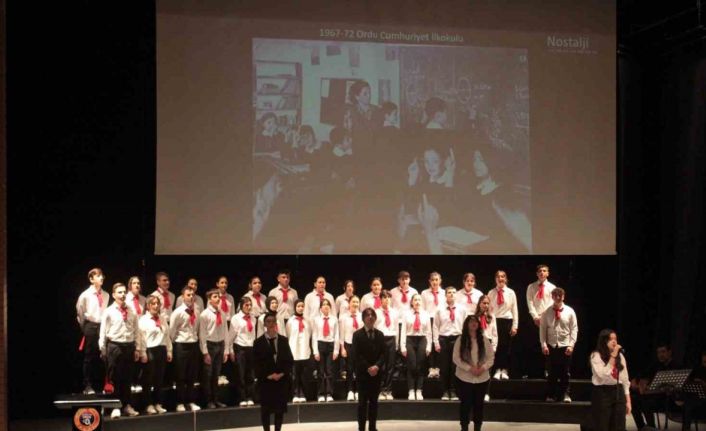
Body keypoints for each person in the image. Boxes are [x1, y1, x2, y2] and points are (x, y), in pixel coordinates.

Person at [99, 282, 143, 418]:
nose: (123, 294)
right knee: (115, 378)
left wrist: (137, 348)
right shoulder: (109, 311)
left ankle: (127, 405)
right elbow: (103, 332)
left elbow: (136, 330)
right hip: (114, 346)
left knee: (128, 378)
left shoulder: (132, 310)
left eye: (124, 292)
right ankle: (115, 407)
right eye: (119, 292)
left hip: (128, 346)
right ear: (113, 295)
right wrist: (103, 349)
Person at [254, 312, 294, 431]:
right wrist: (268, 376)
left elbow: (289, 360)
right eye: (268, 321)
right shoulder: (258, 342)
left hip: (281, 381)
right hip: (266, 382)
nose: (271, 324)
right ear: (264, 324)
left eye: (273, 321)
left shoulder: (283, 340)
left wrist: (281, 374)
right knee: (265, 411)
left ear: (276, 323)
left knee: (279, 411)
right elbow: (256, 363)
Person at [454, 315, 495, 431]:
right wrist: (469, 368)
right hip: (464, 378)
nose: (474, 324)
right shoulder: (461, 340)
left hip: (482, 378)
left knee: (479, 405)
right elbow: (456, 358)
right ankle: (464, 427)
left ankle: (477, 427)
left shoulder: (484, 340)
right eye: (471, 322)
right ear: (466, 324)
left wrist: (483, 368)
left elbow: (491, 358)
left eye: (476, 322)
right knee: (465, 405)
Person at [630, 342, 681, 430]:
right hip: (657, 396)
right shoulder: (656, 365)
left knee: (646, 402)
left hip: (671, 398)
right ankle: (641, 427)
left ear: (669, 352)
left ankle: (651, 427)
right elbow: (642, 375)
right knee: (633, 399)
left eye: (663, 352)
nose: (660, 355)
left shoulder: (677, 366)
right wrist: (635, 381)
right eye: (658, 352)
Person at [539, 287, 577, 403]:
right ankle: (551, 395)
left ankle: (565, 394)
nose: (558, 297)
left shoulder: (570, 311)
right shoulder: (546, 312)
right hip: (551, 345)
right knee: (552, 372)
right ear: (552, 297)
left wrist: (571, 345)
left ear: (563, 297)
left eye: (560, 295)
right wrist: (544, 345)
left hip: (565, 345)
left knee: (565, 372)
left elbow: (574, 329)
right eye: (555, 295)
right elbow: (542, 329)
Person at [75, 267, 110, 395]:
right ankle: (87, 385)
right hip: (90, 325)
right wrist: (85, 328)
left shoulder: (106, 295)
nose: (101, 278)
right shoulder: (85, 295)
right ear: (91, 279)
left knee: (104, 355)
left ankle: (104, 384)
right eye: (98, 276)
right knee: (90, 357)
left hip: (102, 326)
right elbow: (80, 313)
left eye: (102, 275)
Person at [590, 329, 631, 431]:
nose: (614, 342)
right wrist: (613, 356)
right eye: (610, 339)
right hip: (602, 393)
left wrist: (628, 401)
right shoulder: (595, 355)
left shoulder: (620, 356)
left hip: (618, 392)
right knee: (602, 425)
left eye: (615, 339)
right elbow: (603, 375)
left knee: (619, 425)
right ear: (604, 341)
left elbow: (625, 380)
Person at [169, 285, 201, 412]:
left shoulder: (196, 311)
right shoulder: (177, 312)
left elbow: (197, 329)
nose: (191, 297)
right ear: (183, 297)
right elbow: (172, 331)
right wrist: (173, 346)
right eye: (188, 295)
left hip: (193, 345)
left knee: (192, 376)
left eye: (192, 295)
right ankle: (180, 402)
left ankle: (190, 401)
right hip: (181, 345)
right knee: (180, 376)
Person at [138, 295, 172, 415]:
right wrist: (142, 352)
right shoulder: (143, 320)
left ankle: (158, 403)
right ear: (148, 306)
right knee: (148, 379)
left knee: (159, 379)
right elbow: (141, 338)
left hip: (161, 349)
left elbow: (167, 335)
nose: (156, 306)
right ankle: (148, 404)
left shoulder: (162, 319)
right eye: (153, 303)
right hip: (149, 350)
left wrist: (169, 350)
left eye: (157, 303)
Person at [353, 308, 385, 431]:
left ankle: (372, 428)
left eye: (372, 315)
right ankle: (361, 428)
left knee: (374, 403)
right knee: (362, 404)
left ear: (375, 318)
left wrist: (377, 366)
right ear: (363, 319)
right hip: (363, 374)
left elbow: (383, 354)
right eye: (367, 315)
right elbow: (357, 355)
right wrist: (368, 367)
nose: (370, 317)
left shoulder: (380, 335)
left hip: (376, 374)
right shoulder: (357, 335)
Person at [199, 289, 230, 409]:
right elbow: (202, 334)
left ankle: (216, 399)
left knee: (216, 375)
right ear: (209, 299)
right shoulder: (204, 314)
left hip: (220, 344)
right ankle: (208, 400)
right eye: (215, 297)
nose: (218, 299)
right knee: (208, 374)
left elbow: (225, 331)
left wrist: (226, 350)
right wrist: (205, 352)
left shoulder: (222, 313)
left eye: (219, 297)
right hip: (210, 345)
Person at [435, 287, 466, 401]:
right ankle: (444, 391)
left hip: (457, 338)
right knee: (444, 367)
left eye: (453, 292)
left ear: (456, 295)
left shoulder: (462, 309)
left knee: (455, 367)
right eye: (449, 292)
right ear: (445, 295)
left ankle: (453, 390)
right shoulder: (439, 309)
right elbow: (435, 326)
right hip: (443, 339)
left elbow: (465, 326)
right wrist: (436, 342)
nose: (452, 294)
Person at [486, 270, 518, 380]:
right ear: (495, 279)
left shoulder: (511, 292)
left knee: (505, 347)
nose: (500, 279)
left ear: (506, 279)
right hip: (494, 321)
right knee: (495, 346)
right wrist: (488, 324)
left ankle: (504, 369)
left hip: (507, 320)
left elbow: (514, 310)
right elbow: (488, 309)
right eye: (498, 277)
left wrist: (515, 326)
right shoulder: (491, 292)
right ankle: (496, 369)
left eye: (503, 276)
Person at [526, 264, 555, 378]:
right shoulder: (531, 287)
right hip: (535, 319)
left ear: (548, 273)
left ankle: (548, 370)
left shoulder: (552, 287)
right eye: (540, 271)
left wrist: (545, 316)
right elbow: (530, 302)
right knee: (534, 344)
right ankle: (535, 371)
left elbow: (553, 303)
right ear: (537, 273)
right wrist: (535, 317)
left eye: (544, 271)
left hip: (548, 319)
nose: (542, 273)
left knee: (547, 345)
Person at [401, 293, 432, 400]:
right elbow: (403, 330)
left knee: (420, 365)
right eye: (415, 300)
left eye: (419, 300)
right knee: (412, 365)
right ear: (412, 302)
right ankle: (411, 390)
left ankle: (419, 390)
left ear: (421, 302)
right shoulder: (406, 314)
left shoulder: (426, 314)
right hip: (410, 339)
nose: (417, 302)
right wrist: (402, 346)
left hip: (422, 339)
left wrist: (429, 346)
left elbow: (429, 332)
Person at [228, 297, 257, 406]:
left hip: (250, 347)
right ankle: (242, 397)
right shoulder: (236, 318)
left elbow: (253, 334)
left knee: (250, 374)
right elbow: (231, 336)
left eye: (250, 305)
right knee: (240, 374)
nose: (249, 307)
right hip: (240, 347)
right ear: (241, 306)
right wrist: (230, 350)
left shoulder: (253, 318)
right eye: (246, 305)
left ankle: (250, 396)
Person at [313, 298, 339, 401]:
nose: (326, 306)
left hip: (330, 344)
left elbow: (336, 334)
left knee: (329, 371)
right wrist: (315, 351)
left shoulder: (334, 319)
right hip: (320, 344)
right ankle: (320, 393)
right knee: (320, 371)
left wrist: (336, 350)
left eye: (328, 304)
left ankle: (329, 393)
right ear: (320, 308)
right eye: (323, 304)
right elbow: (314, 335)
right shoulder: (316, 319)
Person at [375, 289, 399, 400]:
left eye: (388, 297)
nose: (387, 300)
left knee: (390, 366)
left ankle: (388, 390)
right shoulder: (376, 312)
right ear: (380, 299)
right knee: (381, 366)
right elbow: (374, 328)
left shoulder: (394, 312)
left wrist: (397, 343)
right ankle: (381, 390)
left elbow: (396, 329)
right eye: (384, 297)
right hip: (380, 340)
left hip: (391, 338)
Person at [285, 299, 311, 403]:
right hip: (294, 351)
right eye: (298, 306)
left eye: (302, 306)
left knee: (303, 375)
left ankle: (303, 393)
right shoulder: (290, 321)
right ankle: (295, 394)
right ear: (295, 307)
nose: (300, 308)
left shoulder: (307, 320)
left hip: (304, 351)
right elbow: (288, 335)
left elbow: (309, 334)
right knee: (295, 375)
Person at [474, 295, 498, 402]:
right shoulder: (474, 317)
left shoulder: (492, 317)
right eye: (484, 303)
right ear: (479, 304)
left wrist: (494, 347)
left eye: (487, 303)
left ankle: (486, 392)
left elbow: (494, 333)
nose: (486, 305)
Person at [422, 272, 444, 378]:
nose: (435, 282)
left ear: (440, 281)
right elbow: (423, 308)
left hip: (441, 320)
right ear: (429, 281)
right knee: (429, 342)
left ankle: (438, 368)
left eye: (436, 279)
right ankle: (431, 367)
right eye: (432, 280)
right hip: (429, 319)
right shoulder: (424, 293)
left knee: (439, 342)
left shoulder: (444, 293)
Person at [339, 295, 362, 401]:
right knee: (349, 368)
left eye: (357, 302)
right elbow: (341, 333)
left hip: (359, 345)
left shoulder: (361, 316)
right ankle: (350, 390)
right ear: (349, 303)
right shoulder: (343, 317)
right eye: (353, 302)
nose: (355, 304)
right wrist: (342, 348)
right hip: (348, 344)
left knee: (359, 369)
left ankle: (358, 390)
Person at [682, 350, 706, 430]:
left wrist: (703, 384)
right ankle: (686, 428)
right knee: (687, 403)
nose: (704, 363)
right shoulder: (698, 368)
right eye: (704, 361)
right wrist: (694, 382)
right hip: (698, 397)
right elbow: (689, 381)